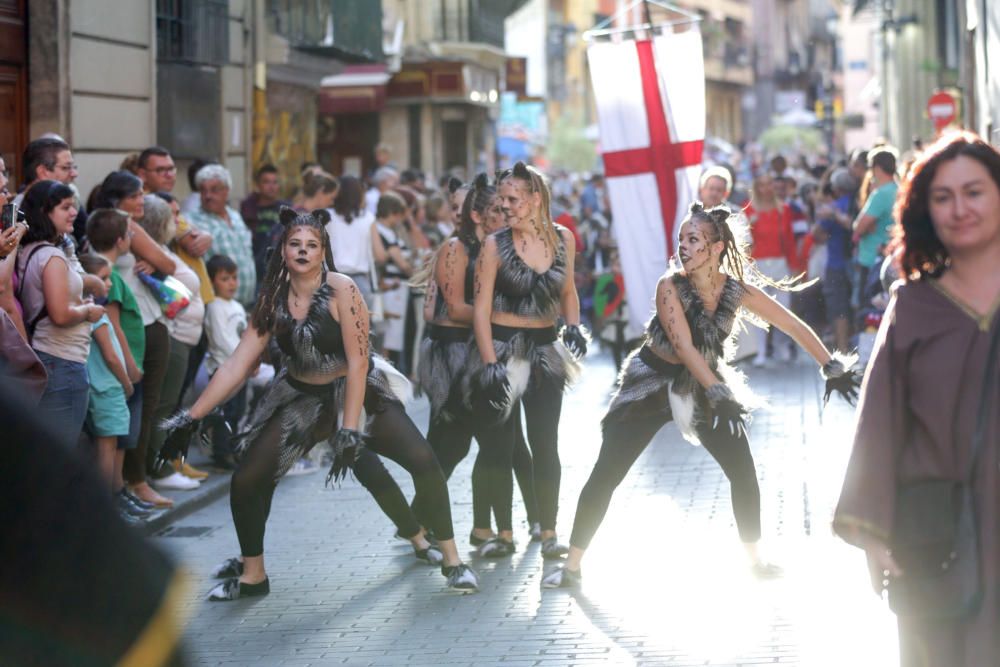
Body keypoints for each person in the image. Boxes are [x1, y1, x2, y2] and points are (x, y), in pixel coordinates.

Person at [159, 207, 479, 600]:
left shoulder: (343, 288)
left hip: (356, 393)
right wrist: (190, 417)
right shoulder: (272, 298)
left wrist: (348, 429)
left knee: (422, 462)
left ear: (323, 249)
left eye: (312, 245)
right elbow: (237, 366)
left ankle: (450, 557)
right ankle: (253, 575)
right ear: (283, 250)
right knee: (247, 480)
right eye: (295, 244)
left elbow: (360, 360)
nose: (303, 251)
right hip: (300, 398)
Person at [542, 203, 861, 589]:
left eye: (693, 240)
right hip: (652, 381)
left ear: (716, 248)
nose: (684, 247)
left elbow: (790, 324)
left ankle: (754, 560)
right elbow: (684, 347)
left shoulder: (736, 290)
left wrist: (829, 364)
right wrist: (719, 391)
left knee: (742, 469)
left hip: (705, 382)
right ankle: (572, 566)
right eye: (681, 239)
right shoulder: (669, 286)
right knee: (607, 471)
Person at [833, 131, 1000, 666]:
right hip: (936, 538)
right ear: (924, 211)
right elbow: (879, 423)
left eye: (974, 192)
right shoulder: (915, 306)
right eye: (942, 197)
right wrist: (873, 532)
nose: (960, 209)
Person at [466, 161, 587, 560]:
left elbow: (568, 291)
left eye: (512, 199)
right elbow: (480, 310)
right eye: (501, 200)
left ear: (536, 199)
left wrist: (572, 325)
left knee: (545, 443)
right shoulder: (493, 244)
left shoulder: (563, 239)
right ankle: (504, 532)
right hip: (500, 347)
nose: (504, 207)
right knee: (500, 446)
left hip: (545, 349)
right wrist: (488, 364)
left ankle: (549, 531)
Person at [414, 173, 541, 549]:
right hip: (452, 356)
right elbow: (447, 308)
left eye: (507, 207)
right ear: (478, 214)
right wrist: (500, 318)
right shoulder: (455, 248)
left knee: (504, 441)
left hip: (485, 351)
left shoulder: (498, 246)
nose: (503, 215)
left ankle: (520, 524)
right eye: (496, 209)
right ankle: (419, 520)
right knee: (450, 445)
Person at [94, 170, 177, 509]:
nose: (143, 199)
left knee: (136, 409)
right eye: (137, 194)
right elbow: (168, 263)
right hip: (138, 323)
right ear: (119, 200)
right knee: (140, 408)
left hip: (141, 319)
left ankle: (130, 483)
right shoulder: (124, 226)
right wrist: (152, 259)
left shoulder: (105, 223)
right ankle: (136, 481)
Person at [16, 181, 105, 447]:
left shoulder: (34, 250)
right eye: (65, 207)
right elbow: (61, 315)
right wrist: (89, 310)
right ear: (45, 211)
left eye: (73, 206)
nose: (74, 212)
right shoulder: (52, 257)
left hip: (55, 358)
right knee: (58, 451)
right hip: (61, 360)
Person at [85, 208, 155, 520]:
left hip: (116, 377)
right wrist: (129, 369)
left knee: (121, 435)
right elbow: (110, 330)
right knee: (112, 440)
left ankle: (120, 492)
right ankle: (111, 500)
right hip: (114, 376)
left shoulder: (111, 272)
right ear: (119, 239)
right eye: (129, 233)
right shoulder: (106, 277)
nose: (132, 239)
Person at [138, 195, 208, 488]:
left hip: (185, 337)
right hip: (173, 334)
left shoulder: (167, 249)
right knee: (162, 406)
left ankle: (166, 461)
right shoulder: (153, 255)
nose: (179, 223)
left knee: (170, 404)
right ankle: (159, 469)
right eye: (173, 216)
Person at [78, 254, 133, 493]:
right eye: (103, 278)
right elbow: (110, 356)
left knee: (106, 445)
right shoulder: (96, 316)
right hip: (108, 388)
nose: (109, 284)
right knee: (107, 447)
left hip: (102, 388)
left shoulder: (89, 311)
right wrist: (127, 383)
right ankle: (107, 502)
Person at [744, 172, 797, 366]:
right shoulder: (748, 210)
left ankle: (780, 345)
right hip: (756, 263)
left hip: (779, 262)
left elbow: (789, 240)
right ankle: (761, 350)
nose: (766, 189)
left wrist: (794, 266)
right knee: (758, 309)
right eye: (762, 185)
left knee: (783, 307)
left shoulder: (784, 209)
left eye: (769, 184)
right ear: (756, 187)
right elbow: (743, 241)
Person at [187, 164, 257, 308]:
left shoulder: (235, 215)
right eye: (203, 191)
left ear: (227, 191)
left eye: (214, 190)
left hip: (247, 303)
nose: (208, 196)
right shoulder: (191, 220)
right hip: (218, 306)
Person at [851, 148, 899, 310]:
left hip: (873, 260)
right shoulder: (897, 189)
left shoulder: (881, 194)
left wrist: (863, 226)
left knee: (868, 312)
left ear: (877, 168)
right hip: (888, 259)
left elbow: (859, 226)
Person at [325, 175, 378, 310]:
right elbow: (379, 253)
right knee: (359, 328)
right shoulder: (368, 218)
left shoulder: (326, 216)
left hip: (331, 279)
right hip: (360, 283)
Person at [241, 164, 290, 285]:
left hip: (280, 270)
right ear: (258, 185)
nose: (271, 187)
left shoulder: (285, 209)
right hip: (255, 269)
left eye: (275, 182)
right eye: (267, 182)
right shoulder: (249, 209)